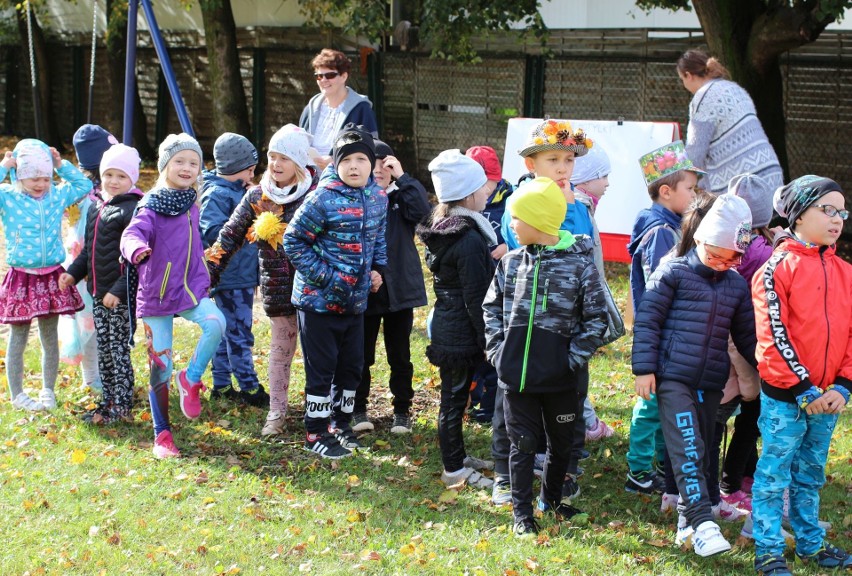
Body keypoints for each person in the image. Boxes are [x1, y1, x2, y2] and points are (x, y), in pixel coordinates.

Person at [632, 192, 756, 557]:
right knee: (687, 446)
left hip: (710, 382)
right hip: (673, 378)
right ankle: (703, 523)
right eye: (715, 253)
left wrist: (774, 371)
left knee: (702, 451)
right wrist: (644, 368)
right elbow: (648, 321)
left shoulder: (735, 284)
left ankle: (687, 521)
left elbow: (748, 336)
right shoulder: (673, 272)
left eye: (732, 257)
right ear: (699, 238)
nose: (721, 263)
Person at [483, 177, 607, 537]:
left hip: (561, 378)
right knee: (522, 444)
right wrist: (497, 350)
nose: (511, 226)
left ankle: (551, 501)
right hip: (516, 376)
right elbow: (491, 308)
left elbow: (597, 319)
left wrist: (571, 358)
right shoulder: (511, 263)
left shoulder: (579, 266)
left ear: (537, 221)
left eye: (515, 219)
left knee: (561, 442)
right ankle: (522, 515)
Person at [751, 176, 852, 576]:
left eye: (842, 211)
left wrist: (843, 386)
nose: (837, 219)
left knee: (810, 476)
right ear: (798, 214)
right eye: (827, 209)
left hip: (829, 398)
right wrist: (803, 390)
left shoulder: (846, 272)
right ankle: (769, 550)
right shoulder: (776, 269)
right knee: (774, 475)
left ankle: (810, 544)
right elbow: (774, 337)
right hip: (786, 400)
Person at [496, 120, 598, 505]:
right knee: (513, 407)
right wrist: (497, 346)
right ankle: (509, 477)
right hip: (525, 326)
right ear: (531, 165)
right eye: (552, 159)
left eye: (569, 160)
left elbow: (582, 248)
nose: (562, 168)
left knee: (569, 401)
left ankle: (563, 474)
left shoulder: (579, 201)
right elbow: (522, 244)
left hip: (567, 326)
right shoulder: (520, 201)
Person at [207, 124, 319, 437]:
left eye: (284, 157)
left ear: (298, 161)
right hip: (278, 291)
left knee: (317, 355)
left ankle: (318, 410)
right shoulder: (258, 196)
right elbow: (228, 237)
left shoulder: (317, 193)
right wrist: (206, 275)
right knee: (280, 352)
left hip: (315, 291)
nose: (276, 163)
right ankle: (277, 412)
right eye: (272, 156)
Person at [283, 123, 387, 459]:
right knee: (322, 369)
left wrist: (377, 271)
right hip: (318, 303)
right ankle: (315, 432)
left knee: (351, 367)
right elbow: (293, 241)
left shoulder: (377, 198)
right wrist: (329, 279)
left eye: (361, 159)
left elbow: (378, 241)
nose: (354, 166)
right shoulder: (322, 199)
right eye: (346, 160)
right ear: (335, 164)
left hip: (356, 304)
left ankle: (340, 425)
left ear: (373, 164)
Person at [120, 133, 225, 458]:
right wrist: (136, 249)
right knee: (159, 365)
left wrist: (205, 268)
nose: (186, 167)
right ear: (165, 165)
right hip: (156, 294)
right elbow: (131, 233)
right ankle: (161, 434)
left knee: (216, 323)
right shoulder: (151, 205)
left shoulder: (192, 203)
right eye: (179, 161)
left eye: (193, 162)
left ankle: (190, 378)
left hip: (191, 289)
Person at [625, 140, 702, 496]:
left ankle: (657, 462)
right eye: (691, 188)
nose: (696, 193)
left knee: (665, 399)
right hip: (660, 332)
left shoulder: (671, 224)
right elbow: (661, 286)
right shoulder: (660, 232)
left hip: (669, 332)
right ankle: (638, 470)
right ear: (667, 191)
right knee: (651, 402)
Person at [416, 149, 495, 489]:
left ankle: (458, 456)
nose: (488, 193)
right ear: (468, 194)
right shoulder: (469, 239)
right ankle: (454, 470)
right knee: (452, 400)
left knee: (455, 397)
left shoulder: (446, 227)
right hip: (460, 331)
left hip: (450, 325)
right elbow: (477, 297)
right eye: (483, 188)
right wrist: (488, 338)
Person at [0, 139, 92, 411]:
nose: (40, 184)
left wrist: (61, 166)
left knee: (49, 336)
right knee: (18, 336)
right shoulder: (10, 196)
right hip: (21, 277)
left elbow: (84, 186)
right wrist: (5, 167)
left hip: (52, 276)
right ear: (19, 177)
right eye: (32, 179)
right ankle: (17, 394)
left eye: (44, 178)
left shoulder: (57, 195)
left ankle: (47, 390)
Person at [59, 144, 143, 424]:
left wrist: (118, 291)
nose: (114, 181)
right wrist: (73, 272)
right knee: (104, 348)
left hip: (118, 296)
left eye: (121, 176)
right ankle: (108, 399)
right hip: (98, 293)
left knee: (117, 349)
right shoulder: (97, 207)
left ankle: (122, 403)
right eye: (109, 174)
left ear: (132, 178)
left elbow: (136, 261)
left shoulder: (132, 210)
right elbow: (88, 251)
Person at [352, 139, 430, 435]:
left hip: (400, 290)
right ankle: (358, 408)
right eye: (374, 164)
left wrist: (404, 177)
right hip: (367, 290)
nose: (380, 170)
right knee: (362, 354)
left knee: (400, 354)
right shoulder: (358, 198)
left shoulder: (402, 197)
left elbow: (424, 214)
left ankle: (402, 410)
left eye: (387, 164)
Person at [200, 133, 267, 408]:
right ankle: (249, 387)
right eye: (249, 168)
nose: (253, 173)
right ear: (232, 168)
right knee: (239, 331)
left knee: (227, 331)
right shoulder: (217, 194)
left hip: (240, 275)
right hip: (229, 277)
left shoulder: (236, 191)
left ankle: (222, 385)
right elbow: (211, 232)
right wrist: (245, 225)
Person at [677, 49, 783, 195]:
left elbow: (695, 155)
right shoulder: (735, 88)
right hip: (769, 173)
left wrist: (665, 168)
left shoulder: (703, 98)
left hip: (741, 182)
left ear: (688, 75)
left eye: (681, 79)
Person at [63, 124, 118, 393]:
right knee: (88, 323)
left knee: (105, 322)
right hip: (83, 265)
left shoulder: (111, 189)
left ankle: (105, 374)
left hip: (107, 263)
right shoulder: (81, 193)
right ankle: (91, 377)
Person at [569, 143, 616, 443]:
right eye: (603, 176)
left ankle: (585, 421)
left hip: (581, 301)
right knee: (575, 366)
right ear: (585, 179)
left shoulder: (584, 206)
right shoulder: (577, 209)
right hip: (574, 304)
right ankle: (585, 424)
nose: (608, 183)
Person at [464, 145, 514, 425]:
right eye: (481, 183)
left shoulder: (512, 199)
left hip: (504, 286)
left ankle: (490, 400)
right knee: (474, 343)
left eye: (491, 181)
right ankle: (474, 395)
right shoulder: (463, 205)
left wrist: (508, 246)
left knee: (496, 342)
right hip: (475, 283)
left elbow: (521, 230)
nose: (487, 189)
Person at [299, 48, 378, 171]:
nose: (324, 80)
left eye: (330, 75)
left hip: (344, 180)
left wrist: (336, 160)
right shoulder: (310, 109)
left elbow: (372, 148)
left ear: (344, 76)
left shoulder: (361, 109)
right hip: (308, 177)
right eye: (319, 76)